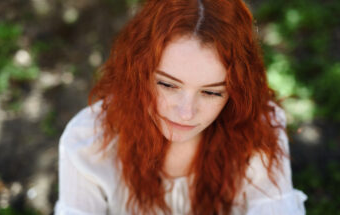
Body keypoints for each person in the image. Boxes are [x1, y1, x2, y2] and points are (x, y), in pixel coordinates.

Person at [54, 0, 307, 214]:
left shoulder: (257, 127)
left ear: (236, 91)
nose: (186, 112)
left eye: (211, 92)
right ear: (138, 72)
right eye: (167, 84)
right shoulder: (87, 139)